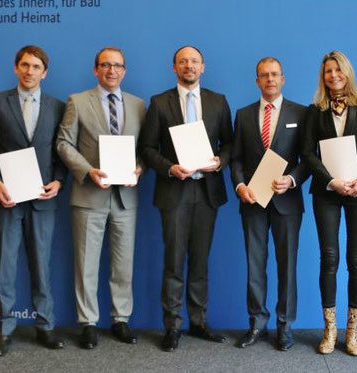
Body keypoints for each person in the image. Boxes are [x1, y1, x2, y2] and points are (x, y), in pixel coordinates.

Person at [0, 45, 66, 357]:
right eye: (25, 65)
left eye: (36, 67)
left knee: (42, 265)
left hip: (42, 199)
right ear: (16, 68)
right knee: (5, 267)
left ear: (45, 72)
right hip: (7, 200)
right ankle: (3, 331)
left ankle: (45, 326)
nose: (30, 72)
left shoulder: (57, 106)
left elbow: (61, 154)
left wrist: (59, 181)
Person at [139, 45, 233, 352]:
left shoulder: (218, 102)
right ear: (174, 68)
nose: (188, 66)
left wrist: (219, 161)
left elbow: (231, 144)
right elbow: (148, 149)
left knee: (200, 261)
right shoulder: (159, 102)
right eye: (182, 62)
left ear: (203, 67)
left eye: (194, 61)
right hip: (174, 190)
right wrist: (169, 168)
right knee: (174, 260)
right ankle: (172, 325)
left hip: (207, 191)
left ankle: (199, 321)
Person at [56, 47, 145, 349]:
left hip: (126, 198)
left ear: (124, 71)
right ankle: (88, 323)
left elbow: (145, 148)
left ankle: (120, 319)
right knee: (86, 264)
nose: (111, 70)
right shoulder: (78, 101)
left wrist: (140, 168)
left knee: (123, 264)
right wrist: (87, 170)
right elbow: (64, 143)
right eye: (105, 65)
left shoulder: (138, 105)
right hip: (89, 194)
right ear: (95, 70)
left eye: (117, 65)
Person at [301, 51, 357, 356]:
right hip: (327, 193)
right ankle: (329, 329)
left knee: (356, 259)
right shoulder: (314, 111)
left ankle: (352, 330)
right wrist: (330, 181)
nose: (333, 75)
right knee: (329, 258)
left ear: (347, 72)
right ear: (322, 77)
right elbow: (307, 153)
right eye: (327, 71)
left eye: (337, 70)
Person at [230, 57, 308, 351]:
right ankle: (257, 324)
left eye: (275, 75)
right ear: (257, 81)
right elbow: (236, 158)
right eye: (264, 75)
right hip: (252, 202)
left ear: (283, 79)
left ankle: (285, 326)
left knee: (287, 266)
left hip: (287, 202)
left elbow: (308, 159)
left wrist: (293, 179)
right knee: (255, 264)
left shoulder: (300, 113)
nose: (270, 79)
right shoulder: (244, 114)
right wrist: (239, 185)